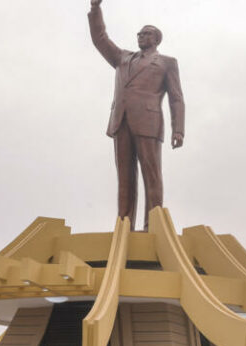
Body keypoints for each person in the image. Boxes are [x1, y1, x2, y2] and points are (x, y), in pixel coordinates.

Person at [88, 0, 185, 231]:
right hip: (121, 121)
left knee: (152, 175)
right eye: (140, 33)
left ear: (156, 39)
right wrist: (95, 9)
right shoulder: (122, 58)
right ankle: (124, 225)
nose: (141, 36)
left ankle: (153, 225)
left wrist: (178, 129)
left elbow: (176, 98)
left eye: (147, 33)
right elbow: (100, 39)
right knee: (125, 177)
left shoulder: (166, 63)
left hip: (149, 122)